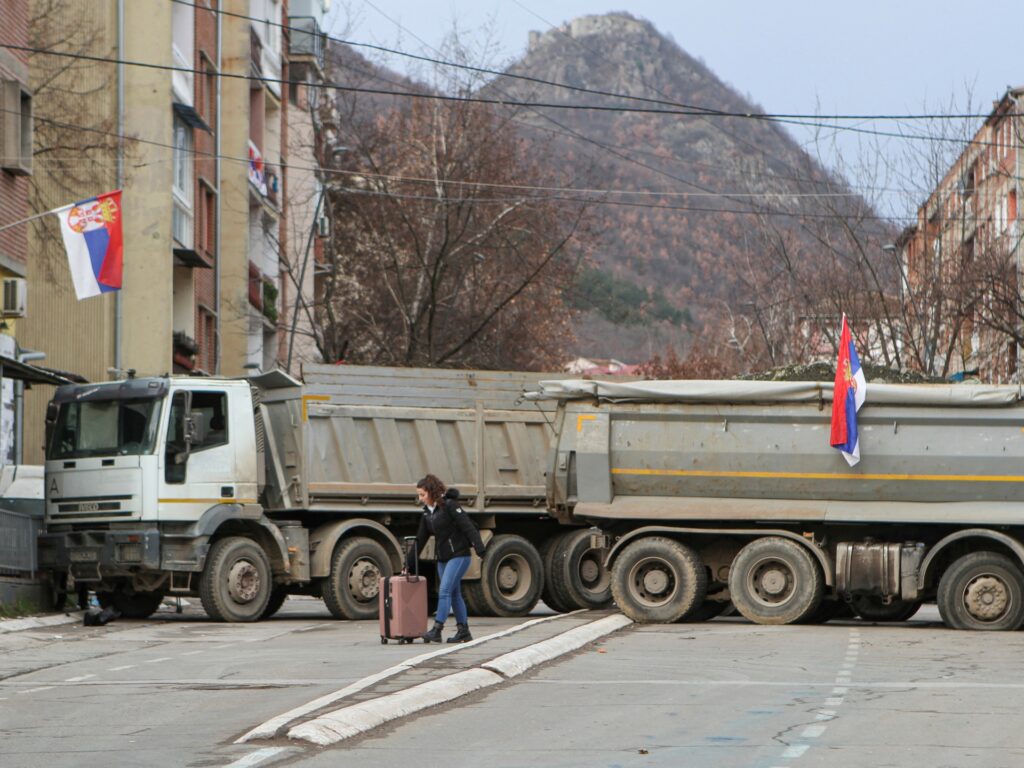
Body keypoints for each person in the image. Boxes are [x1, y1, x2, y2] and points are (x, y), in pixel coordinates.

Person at [406, 474, 486, 643]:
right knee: (454, 593)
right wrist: (408, 564)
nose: (420, 499)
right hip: (443, 558)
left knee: (444, 591)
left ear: (431, 492)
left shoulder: (450, 506)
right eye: (418, 495)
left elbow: (468, 527)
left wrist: (480, 550)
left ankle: (437, 629)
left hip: (459, 555)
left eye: (422, 495)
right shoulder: (427, 514)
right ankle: (463, 632)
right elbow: (419, 541)